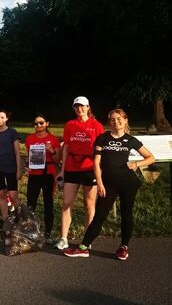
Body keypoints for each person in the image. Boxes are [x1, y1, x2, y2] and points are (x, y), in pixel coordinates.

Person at [64, 109, 155, 260]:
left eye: (119, 119)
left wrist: (137, 163)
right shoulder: (102, 138)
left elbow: (151, 157)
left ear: (125, 120)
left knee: (126, 214)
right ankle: (83, 247)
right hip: (108, 184)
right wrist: (99, 183)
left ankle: (123, 247)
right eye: (112, 119)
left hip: (128, 182)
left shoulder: (130, 140)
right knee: (99, 215)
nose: (116, 122)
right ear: (109, 122)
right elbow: (96, 162)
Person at [55, 96, 104, 250]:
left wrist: (100, 170)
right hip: (71, 167)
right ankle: (63, 238)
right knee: (66, 203)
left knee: (89, 205)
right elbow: (66, 148)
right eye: (76, 106)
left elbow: (101, 150)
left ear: (88, 107)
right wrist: (62, 170)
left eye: (82, 106)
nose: (79, 109)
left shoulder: (96, 125)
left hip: (90, 168)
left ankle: (87, 240)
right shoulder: (70, 125)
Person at [24, 114, 60, 244]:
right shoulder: (29, 139)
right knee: (30, 202)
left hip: (48, 174)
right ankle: (29, 231)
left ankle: (48, 232)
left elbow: (57, 161)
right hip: (34, 174)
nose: (38, 125)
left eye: (41, 123)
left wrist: (51, 150)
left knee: (48, 203)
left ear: (47, 124)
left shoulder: (53, 139)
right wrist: (27, 166)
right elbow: (28, 157)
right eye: (35, 123)